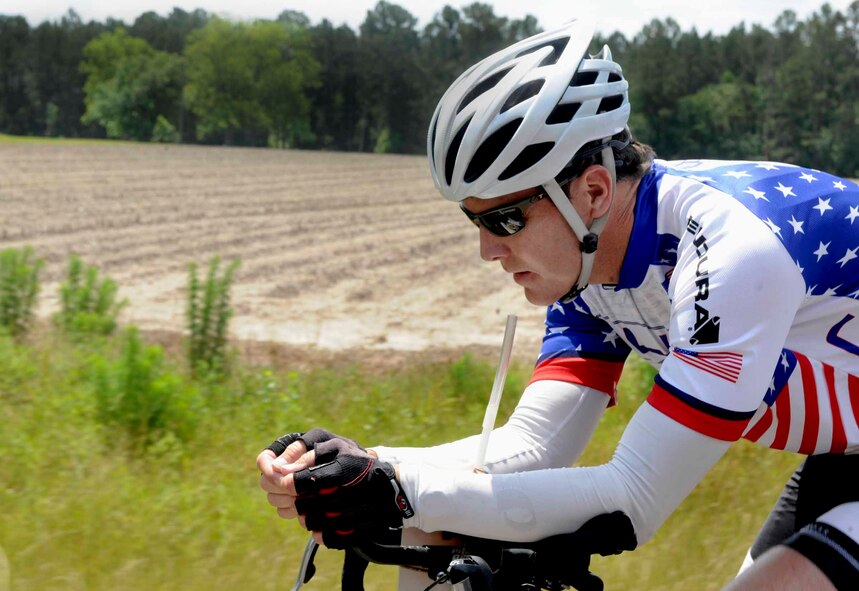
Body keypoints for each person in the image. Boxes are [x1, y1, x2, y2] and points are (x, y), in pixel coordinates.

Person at [258, 16, 859, 590]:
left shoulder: (731, 255)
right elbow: (530, 449)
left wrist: (398, 486)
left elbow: (634, 499)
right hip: (843, 454)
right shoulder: (589, 260)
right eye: (475, 221)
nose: (487, 250)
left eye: (505, 218)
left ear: (593, 189)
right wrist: (363, 466)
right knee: (436, 516)